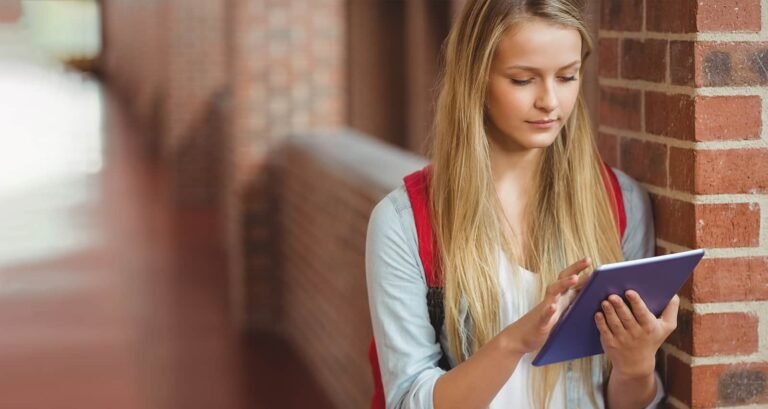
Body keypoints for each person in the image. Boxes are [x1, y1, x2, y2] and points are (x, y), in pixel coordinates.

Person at [365, 1, 680, 408]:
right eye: (522, 80)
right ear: (475, 79)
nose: (550, 101)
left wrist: (635, 367)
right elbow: (410, 399)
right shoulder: (404, 223)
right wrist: (515, 341)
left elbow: (629, 402)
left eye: (567, 76)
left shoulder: (620, 204)